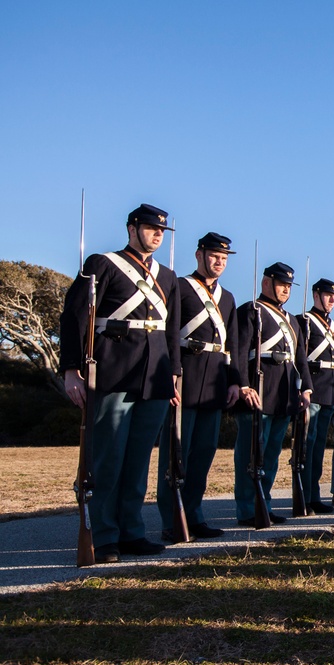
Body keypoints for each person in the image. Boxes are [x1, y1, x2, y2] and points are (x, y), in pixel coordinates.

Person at [60, 203, 181, 564]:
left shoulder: (168, 277)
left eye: (161, 230)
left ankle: (132, 531)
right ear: (132, 228)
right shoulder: (102, 264)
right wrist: (70, 369)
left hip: (154, 377)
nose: (157, 234)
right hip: (114, 371)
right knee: (108, 458)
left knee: (138, 460)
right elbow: (74, 318)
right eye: (149, 228)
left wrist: (174, 374)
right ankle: (104, 535)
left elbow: (171, 332)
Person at [156, 232, 240, 542]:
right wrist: (172, 374)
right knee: (176, 452)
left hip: (215, 378)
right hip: (186, 376)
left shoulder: (228, 298)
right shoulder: (180, 286)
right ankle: (170, 518)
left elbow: (233, 345)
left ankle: (194, 514)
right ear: (199, 255)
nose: (219, 262)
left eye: (224, 258)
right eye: (214, 256)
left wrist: (235, 382)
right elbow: (168, 334)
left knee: (203, 453)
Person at [233, 262, 312, 526]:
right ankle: (247, 509)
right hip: (259, 386)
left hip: (284, 390)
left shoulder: (292, 321)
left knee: (272, 453)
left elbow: (300, 358)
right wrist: (243, 384)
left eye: (289, 286)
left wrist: (306, 388)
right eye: (281, 284)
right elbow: (240, 351)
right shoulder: (250, 310)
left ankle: (264, 502)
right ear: (266, 283)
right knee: (250, 452)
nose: (285, 290)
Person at [297, 278, 334, 514]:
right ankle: (304, 496)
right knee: (306, 446)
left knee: (319, 447)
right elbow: (300, 358)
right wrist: (303, 387)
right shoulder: (304, 321)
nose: (331, 300)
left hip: (330, 391)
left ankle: (315, 495)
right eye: (328, 295)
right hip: (312, 389)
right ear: (316, 295)